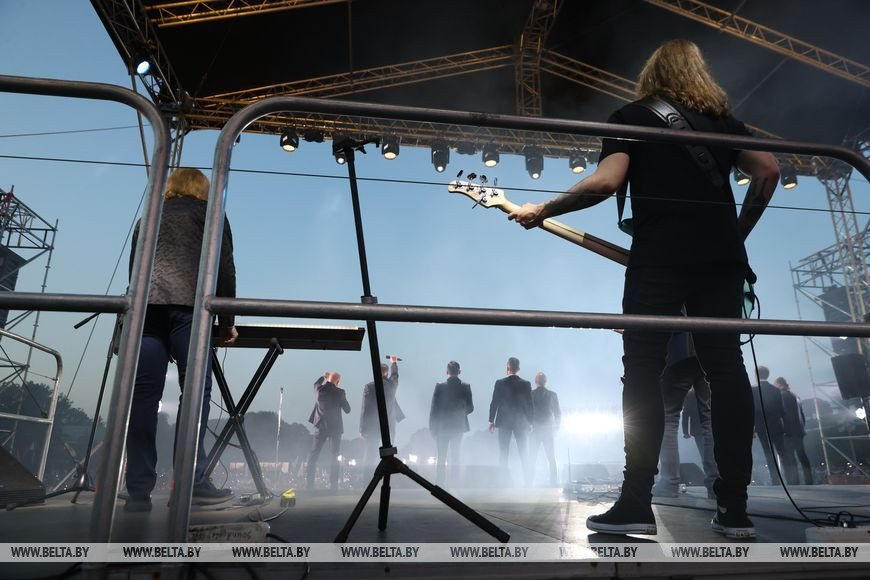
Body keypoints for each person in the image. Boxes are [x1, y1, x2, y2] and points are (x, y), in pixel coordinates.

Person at [508, 39, 780, 538]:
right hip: (720, 261)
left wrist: (543, 208)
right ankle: (734, 508)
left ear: (651, 76)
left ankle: (636, 502)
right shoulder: (722, 122)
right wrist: (736, 234)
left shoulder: (630, 116)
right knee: (726, 369)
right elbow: (769, 169)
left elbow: (605, 182)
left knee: (642, 370)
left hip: (659, 257)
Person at [124, 168, 238, 512]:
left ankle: (138, 490)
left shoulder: (149, 216)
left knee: (143, 397)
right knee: (195, 393)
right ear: (203, 189)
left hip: (146, 310)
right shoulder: (211, 214)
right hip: (190, 307)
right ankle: (191, 484)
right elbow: (225, 267)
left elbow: (134, 270)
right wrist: (227, 321)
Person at [653, 332, 717, 499]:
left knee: (668, 417)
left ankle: (669, 483)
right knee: (709, 419)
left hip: (679, 352)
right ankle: (715, 485)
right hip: (709, 351)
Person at [488, 357, 533, 485]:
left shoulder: (499, 383)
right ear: (518, 368)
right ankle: (528, 482)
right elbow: (529, 405)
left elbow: (494, 402)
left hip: (504, 422)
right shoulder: (526, 384)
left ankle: (503, 482)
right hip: (521, 422)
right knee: (523, 453)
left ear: (507, 368)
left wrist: (491, 420)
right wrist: (530, 422)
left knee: (503, 452)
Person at [429, 361, 474, 485]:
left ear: (446, 371)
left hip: (442, 427)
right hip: (458, 427)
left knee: (441, 457)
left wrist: (432, 428)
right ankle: (455, 483)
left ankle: (440, 483)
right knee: (456, 456)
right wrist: (459, 413)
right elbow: (470, 408)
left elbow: (434, 409)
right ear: (459, 372)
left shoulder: (439, 386)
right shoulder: (466, 386)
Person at [306, 371, 351, 491]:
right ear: (338, 381)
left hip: (320, 426)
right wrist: (342, 398)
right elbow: (347, 410)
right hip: (335, 428)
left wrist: (323, 376)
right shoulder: (340, 392)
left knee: (314, 455)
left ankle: (309, 485)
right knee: (334, 456)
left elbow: (316, 383)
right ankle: (333, 486)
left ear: (327, 379)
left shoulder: (319, 389)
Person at [753, 365, 794, 485]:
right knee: (783, 453)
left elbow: (751, 411)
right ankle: (791, 480)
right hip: (776, 425)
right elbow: (782, 411)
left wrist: (753, 427)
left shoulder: (753, 390)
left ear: (756, 375)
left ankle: (775, 481)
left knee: (768, 454)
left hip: (761, 427)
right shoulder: (776, 390)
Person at [360, 355, 404, 465]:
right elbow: (395, 375)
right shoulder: (392, 385)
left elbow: (365, 409)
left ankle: (368, 475)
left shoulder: (369, 387)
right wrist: (394, 362)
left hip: (373, 426)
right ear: (387, 373)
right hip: (389, 425)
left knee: (370, 454)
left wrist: (363, 428)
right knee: (389, 455)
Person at [774, 376, 813, 485]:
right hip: (799, 430)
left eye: (775, 385)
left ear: (779, 384)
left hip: (787, 432)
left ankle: (795, 482)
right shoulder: (796, 396)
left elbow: (781, 415)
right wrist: (802, 427)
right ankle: (809, 480)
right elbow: (802, 415)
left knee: (791, 458)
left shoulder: (780, 397)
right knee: (802, 455)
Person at [530, 372, 561, 487]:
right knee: (551, 457)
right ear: (546, 382)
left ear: (536, 381)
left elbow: (527, 412)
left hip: (535, 430)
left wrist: (528, 425)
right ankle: (554, 482)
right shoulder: (552, 395)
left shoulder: (530, 394)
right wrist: (556, 427)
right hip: (548, 430)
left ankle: (529, 482)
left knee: (532, 457)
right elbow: (558, 413)